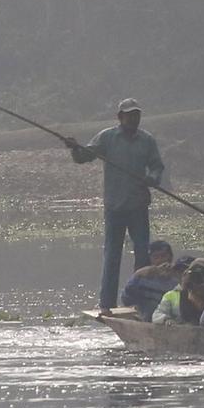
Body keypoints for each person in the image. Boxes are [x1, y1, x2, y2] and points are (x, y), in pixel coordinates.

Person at [70, 97, 167, 314]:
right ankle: (107, 304)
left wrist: (152, 178)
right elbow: (84, 156)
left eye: (137, 115)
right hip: (115, 206)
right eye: (130, 115)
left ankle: (140, 302)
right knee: (112, 255)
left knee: (142, 254)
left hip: (138, 205)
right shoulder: (107, 138)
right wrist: (75, 148)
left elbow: (157, 166)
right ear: (120, 117)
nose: (134, 119)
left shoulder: (146, 140)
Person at [119, 240, 180, 311]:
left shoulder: (179, 277)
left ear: (171, 257)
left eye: (163, 256)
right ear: (150, 259)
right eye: (156, 257)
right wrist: (136, 275)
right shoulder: (143, 279)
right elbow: (126, 300)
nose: (160, 260)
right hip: (148, 318)